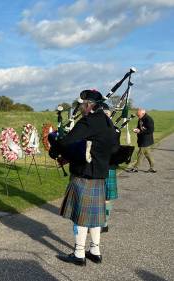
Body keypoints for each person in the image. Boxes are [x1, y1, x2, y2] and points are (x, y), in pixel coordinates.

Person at [56, 90, 118, 266]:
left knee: (81, 216)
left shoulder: (88, 121)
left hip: (84, 174)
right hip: (100, 174)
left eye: (81, 104)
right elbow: (114, 148)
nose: (80, 108)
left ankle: (78, 254)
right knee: (96, 217)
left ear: (88, 104)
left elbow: (67, 142)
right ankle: (95, 250)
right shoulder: (107, 121)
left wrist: (56, 148)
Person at [102, 104, 121, 233]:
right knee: (99, 196)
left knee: (106, 196)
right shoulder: (114, 129)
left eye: (107, 115)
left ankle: (104, 222)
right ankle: (97, 222)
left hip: (108, 165)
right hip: (100, 166)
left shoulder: (115, 130)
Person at [127, 108, 155, 173]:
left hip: (146, 140)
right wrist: (136, 129)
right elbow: (139, 127)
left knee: (140, 154)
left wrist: (140, 131)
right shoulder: (141, 118)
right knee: (148, 154)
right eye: (137, 115)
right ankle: (152, 167)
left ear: (143, 113)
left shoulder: (148, 119)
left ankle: (135, 168)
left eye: (138, 115)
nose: (138, 116)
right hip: (141, 139)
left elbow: (150, 130)